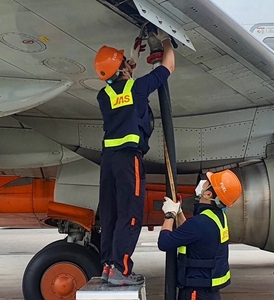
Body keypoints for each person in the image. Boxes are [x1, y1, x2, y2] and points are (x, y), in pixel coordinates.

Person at [94, 28, 175, 286]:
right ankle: (121, 269)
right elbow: (168, 67)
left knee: (110, 214)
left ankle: (109, 265)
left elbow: (122, 84)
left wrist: (131, 57)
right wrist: (166, 41)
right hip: (130, 159)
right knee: (130, 214)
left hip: (108, 161)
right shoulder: (137, 88)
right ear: (123, 70)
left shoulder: (104, 95)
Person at [158, 170, 243, 300]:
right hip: (208, 290)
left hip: (195, 292)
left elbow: (164, 243)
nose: (203, 183)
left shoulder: (200, 223)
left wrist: (169, 215)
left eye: (207, 183)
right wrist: (179, 213)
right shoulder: (217, 217)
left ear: (208, 194)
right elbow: (191, 234)